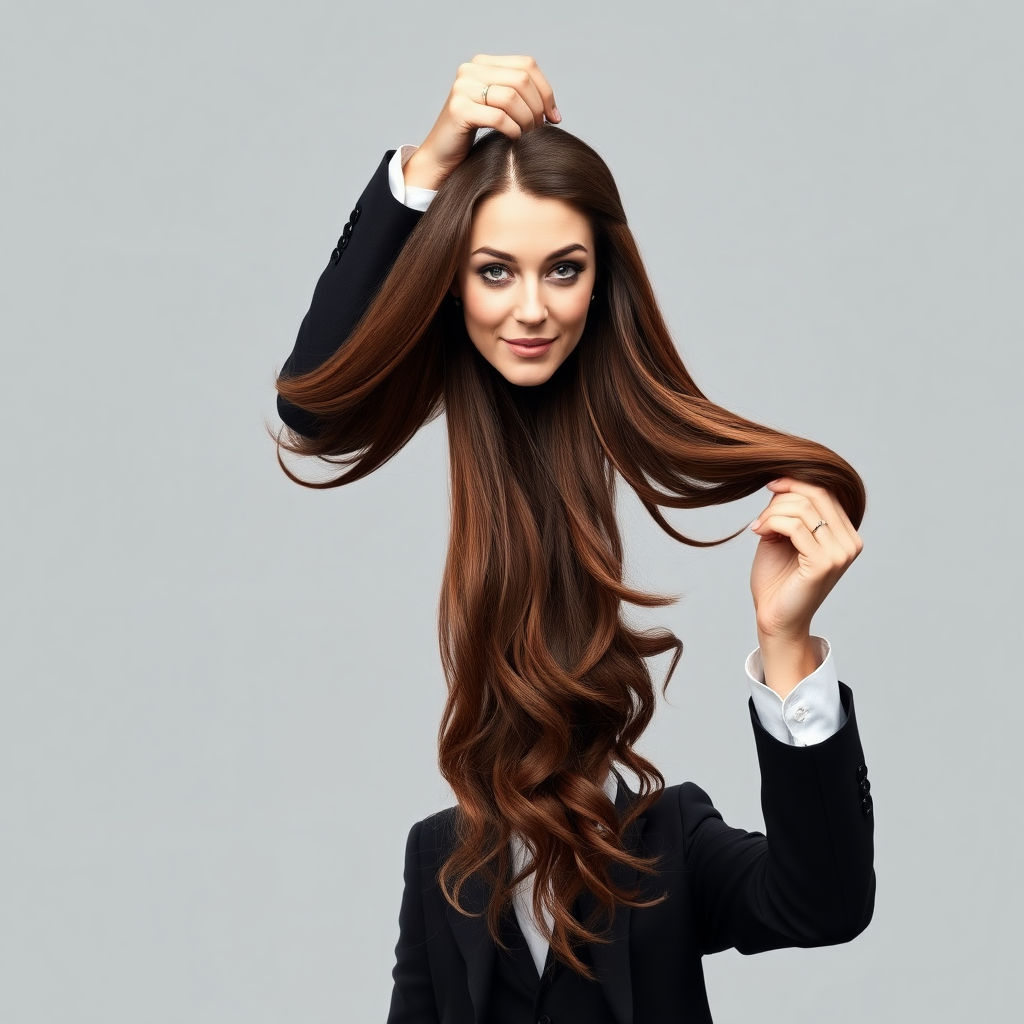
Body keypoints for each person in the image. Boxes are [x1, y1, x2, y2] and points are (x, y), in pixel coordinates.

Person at [276, 56, 874, 1024]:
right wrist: (423, 168)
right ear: (454, 279)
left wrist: (787, 650)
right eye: (492, 270)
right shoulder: (439, 861)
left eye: (564, 269)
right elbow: (311, 403)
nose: (530, 309)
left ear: (600, 280)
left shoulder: (668, 842)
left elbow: (824, 906)